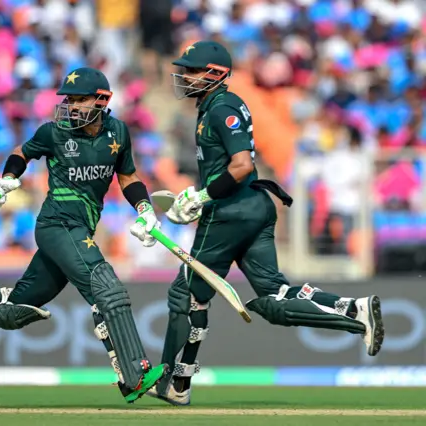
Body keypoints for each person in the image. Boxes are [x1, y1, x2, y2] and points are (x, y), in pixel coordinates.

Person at [145, 41, 385, 406]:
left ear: (214, 73)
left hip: (230, 211)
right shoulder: (216, 104)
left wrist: (203, 198)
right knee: (274, 296)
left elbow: (240, 165)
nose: (184, 76)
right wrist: (197, 195)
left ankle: (172, 382)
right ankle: (353, 310)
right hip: (254, 205)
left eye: (192, 70)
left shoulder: (222, 106)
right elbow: (229, 167)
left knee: (187, 295)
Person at [0, 67, 167, 403]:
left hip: (82, 228)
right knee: (106, 286)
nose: (72, 106)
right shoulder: (54, 132)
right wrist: (7, 179)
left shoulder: (117, 132)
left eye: (80, 99)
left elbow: (128, 176)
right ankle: (134, 374)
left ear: (103, 100)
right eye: (70, 100)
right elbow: (23, 152)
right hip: (57, 224)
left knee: (17, 310)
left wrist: (145, 210)